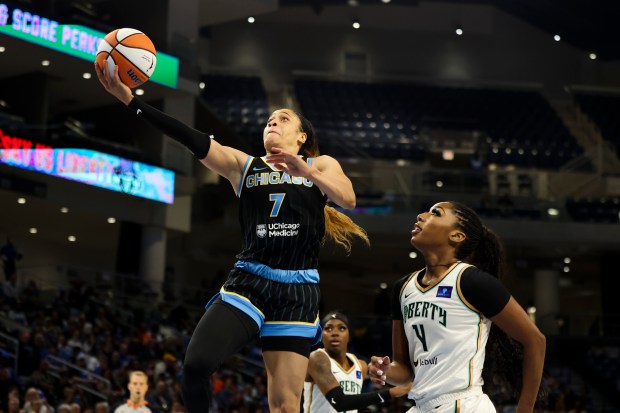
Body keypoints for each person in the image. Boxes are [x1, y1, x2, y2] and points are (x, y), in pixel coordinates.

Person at [95, 61, 369, 413]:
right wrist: (132, 101)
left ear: (302, 138)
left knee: (285, 405)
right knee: (195, 365)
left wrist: (306, 171)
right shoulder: (244, 165)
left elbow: (348, 198)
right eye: (269, 119)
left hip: (297, 290)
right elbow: (189, 137)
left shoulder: (322, 165)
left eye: (283, 118)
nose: (272, 121)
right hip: (249, 281)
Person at [368, 201, 546, 412]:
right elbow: (405, 371)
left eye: (435, 213)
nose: (421, 216)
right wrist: (386, 371)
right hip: (422, 406)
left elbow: (535, 340)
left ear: (457, 236)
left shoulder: (471, 281)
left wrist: (524, 410)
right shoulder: (403, 288)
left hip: (463, 403)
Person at [303, 311, 410, 412]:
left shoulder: (361, 366)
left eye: (341, 328)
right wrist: (391, 392)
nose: (335, 333)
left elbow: (355, 402)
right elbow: (339, 402)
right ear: (321, 336)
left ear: (350, 335)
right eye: (328, 328)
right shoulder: (317, 358)